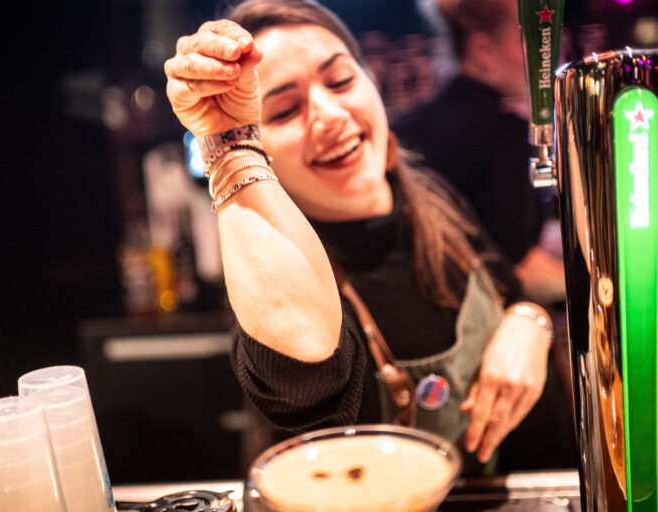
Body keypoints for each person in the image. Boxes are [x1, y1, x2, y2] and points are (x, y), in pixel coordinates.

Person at [163, 0, 552, 472]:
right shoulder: (277, 274)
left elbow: (510, 289)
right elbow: (305, 383)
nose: (329, 114)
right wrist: (227, 141)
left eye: (341, 80)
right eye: (285, 110)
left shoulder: (426, 193)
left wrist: (531, 325)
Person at [393, 0, 566, 306]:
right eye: (525, 41)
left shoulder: (407, 127)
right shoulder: (505, 131)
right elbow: (516, 265)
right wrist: (605, 285)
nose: (545, 56)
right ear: (484, 51)